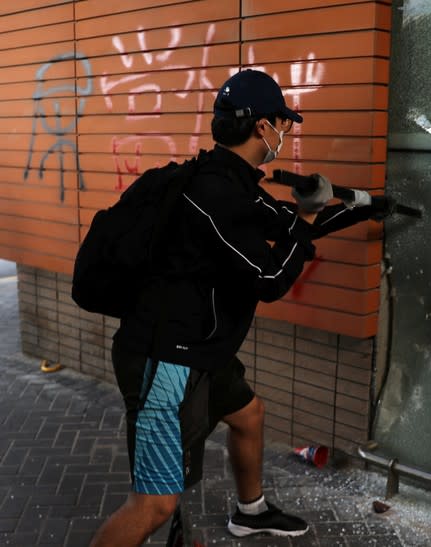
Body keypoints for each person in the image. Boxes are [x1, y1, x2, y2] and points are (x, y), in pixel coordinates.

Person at [90, 69, 382, 546]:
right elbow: (270, 277)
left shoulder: (231, 179)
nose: (285, 133)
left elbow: (287, 223)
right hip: (167, 356)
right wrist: (308, 216)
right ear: (262, 127)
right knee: (154, 505)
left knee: (248, 415)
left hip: (202, 346)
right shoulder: (213, 195)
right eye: (283, 124)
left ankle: (252, 512)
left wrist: (364, 208)